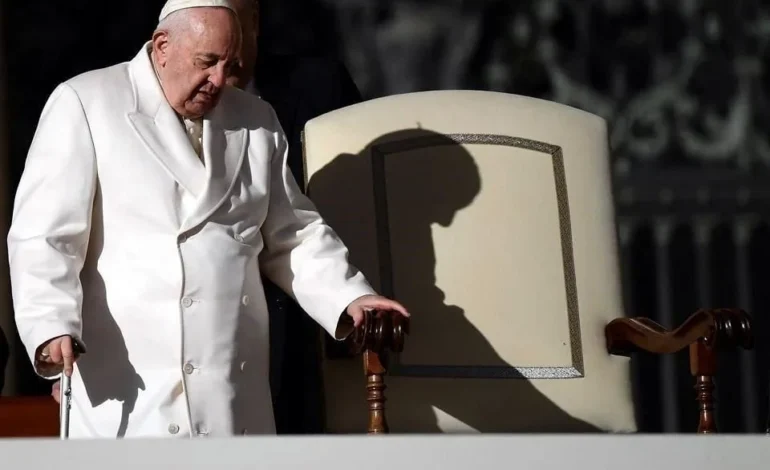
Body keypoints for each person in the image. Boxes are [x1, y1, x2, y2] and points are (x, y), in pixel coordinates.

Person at [8, 0, 407, 439]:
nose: (219, 80)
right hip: (132, 388)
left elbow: (294, 236)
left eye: (229, 65)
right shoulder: (86, 103)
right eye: (206, 61)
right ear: (162, 46)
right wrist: (50, 324)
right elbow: (46, 235)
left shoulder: (256, 120)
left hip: (231, 395)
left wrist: (351, 297)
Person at [225, 0, 366, 433]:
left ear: (253, 22)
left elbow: (352, 206)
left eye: (230, 26)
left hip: (300, 327)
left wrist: (349, 300)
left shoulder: (320, 86)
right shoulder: (121, 103)